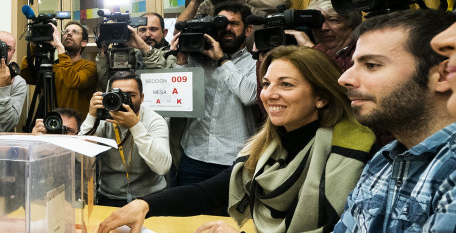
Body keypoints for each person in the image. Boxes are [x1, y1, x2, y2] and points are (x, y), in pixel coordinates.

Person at [98, 46, 375, 233]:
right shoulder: (268, 146)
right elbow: (208, 192)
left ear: (321, 97)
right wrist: (145, 205)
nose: (269, 94)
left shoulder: (352, 152)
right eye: (266, 84)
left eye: (286, 84)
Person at [334, 9, 456, 232]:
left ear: (442, 75)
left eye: (371, 65)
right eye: (353, 64)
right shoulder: (384, 159)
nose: (345, 79)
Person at [171, 2, 259, 186]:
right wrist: (181, 60)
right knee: (185, 214)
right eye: (221, 23)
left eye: (234, 24)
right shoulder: (196, 59)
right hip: (194, 155)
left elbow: (249, 97)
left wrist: (222, 60)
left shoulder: (255, 61)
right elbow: (177, 102)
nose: (227, 28)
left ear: (248, 30)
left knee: (231, 215)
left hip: (235, 158)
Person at [80, 71, 171, 207]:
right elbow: (81, 159)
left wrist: (135, 126)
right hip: (110, 196)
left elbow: (162, 167)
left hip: (149, 196)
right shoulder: (104, 120)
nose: (124, 100)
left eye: (131, 95)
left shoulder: (154, 120)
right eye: (118, 95)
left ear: (142, 97)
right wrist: (91, 116)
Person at [20, 21, 98, 122]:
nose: (69, 34)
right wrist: (33, 46)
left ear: (84, 42)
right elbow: (27, 77)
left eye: (75, 32)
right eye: (66, 32)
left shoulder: (89, 67)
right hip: (53, 125)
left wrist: (60, 48)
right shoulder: (54, 66)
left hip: (77, 129)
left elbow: (73, 81)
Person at [96, 12, 175, 89]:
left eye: (153, 29)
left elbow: (166, 80)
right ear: (136, 33)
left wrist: (145, 48)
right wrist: (103, 52)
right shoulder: (132, 56)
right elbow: (106, 85)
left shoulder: (172, 54)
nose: (147, 34)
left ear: (164, 33)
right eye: (143, 30)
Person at [284, 0, 362, 72]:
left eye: (332, 20)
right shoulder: (304, 54)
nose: (323, 28)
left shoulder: (363, 48)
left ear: (352, 24)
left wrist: (311, 47)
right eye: (317, 22)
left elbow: (346, 74)